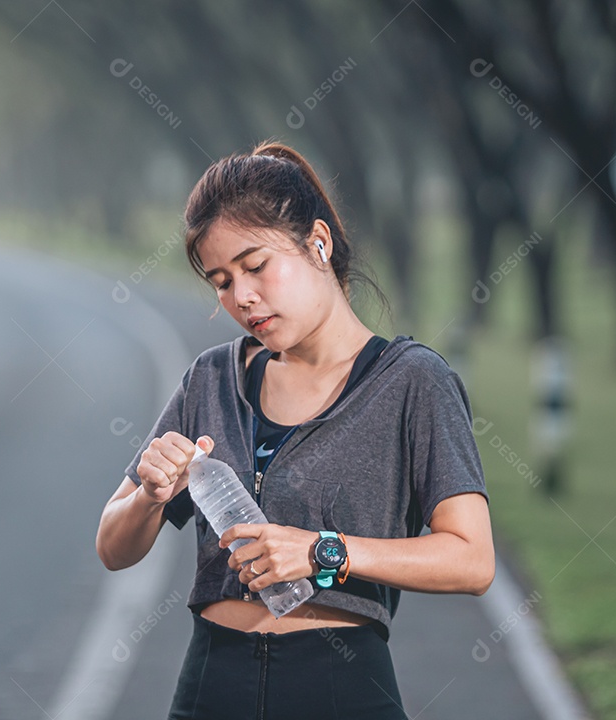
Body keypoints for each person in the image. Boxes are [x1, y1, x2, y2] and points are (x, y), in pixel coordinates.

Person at [96, 141, 494, 720]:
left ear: (319, 243)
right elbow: (113, 547)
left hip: (340, 685)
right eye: (221, 281)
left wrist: (320, 551)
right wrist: (151, 499)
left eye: (256, 266)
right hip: (211, 683)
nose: (242, 297)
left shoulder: (413, 381)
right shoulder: (210, 378)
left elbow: (471, 559)